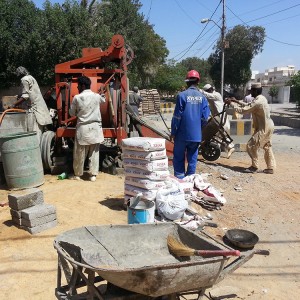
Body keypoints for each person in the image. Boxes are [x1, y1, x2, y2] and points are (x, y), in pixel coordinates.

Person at [227, 82, 276, 174]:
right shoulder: (260, 98)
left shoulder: (258, 101)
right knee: (267, 146)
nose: (250, 92)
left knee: (251, 145)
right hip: (268, 125)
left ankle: (254, 167)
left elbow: (244, 110)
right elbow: (248, 104)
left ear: (256, 90)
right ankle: (271, 168)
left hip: (264, 127)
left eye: (252, 91)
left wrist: (231, 104)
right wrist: (236, 101)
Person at [171, 70, 210, 179]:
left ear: (187, 82)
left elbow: (177, 116)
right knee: (192, 158)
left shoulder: (181, 96)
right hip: (196, 136)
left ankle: (179, 181)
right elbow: (205, 117)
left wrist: (173, 132)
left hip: (181, 135)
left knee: (179, 157)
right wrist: (198, 127)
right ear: (198, 81)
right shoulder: (203, 98)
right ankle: (190, 181)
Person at [69, 76, 106, 182]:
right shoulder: (96, 96)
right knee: (94, 153)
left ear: (83, 85)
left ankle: (78, 175)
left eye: (78, 86)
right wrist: (102, 92)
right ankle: (93, 175)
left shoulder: (77, 98)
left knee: (79, 153)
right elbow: (103, 99)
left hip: (83, 129)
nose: (77, 87)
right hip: (95, 129)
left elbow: (72, 113)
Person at [13, 66, 52, 143]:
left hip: (35, 111)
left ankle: (36, 153)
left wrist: (13, 105)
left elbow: (25, 96)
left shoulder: (24, 79)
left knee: (34, 135)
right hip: (40, 108)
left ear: (19, 74)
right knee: (39, 133)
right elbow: (29, 92)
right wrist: (18, 96)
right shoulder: (31, 77)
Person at [200, 83, 235, 159]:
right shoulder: (210, 98)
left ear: (210, 90)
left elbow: (209, 96)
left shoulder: (216, 95)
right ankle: (222, 151)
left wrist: (200, 91)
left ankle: (230, 147)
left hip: (220, 119)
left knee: (220, 134)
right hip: (217, 119)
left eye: (207, 91)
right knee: (218, 136)